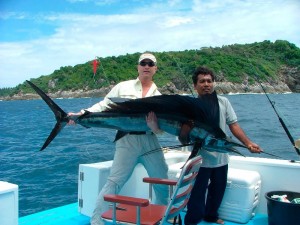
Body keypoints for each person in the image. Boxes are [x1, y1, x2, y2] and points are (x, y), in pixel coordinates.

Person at [68, 53, 169, 225]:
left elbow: (164, 128)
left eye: (150, 64)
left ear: (155, 69)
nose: (146, 66)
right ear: (137, 67)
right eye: (143, 63)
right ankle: (96, 220)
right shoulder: (123, 86)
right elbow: (103, 105)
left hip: (150, 141)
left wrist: (155, 129)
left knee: (161, 178)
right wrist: (81, 114)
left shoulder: (159, 96)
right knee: (114, 181)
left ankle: (162, 215)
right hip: (126, 141)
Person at [183, 66, 263, 225]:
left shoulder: (223, 102)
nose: (206, 84)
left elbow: (234, 125)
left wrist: (248, 143)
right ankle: (191, 221)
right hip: (201, 159)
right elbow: (184, 133)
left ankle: (211, 216)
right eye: (202, 81)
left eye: (209, 81)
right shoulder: (191, 105)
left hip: (221, 156)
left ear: (213, 83)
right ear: (195, 86)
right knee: (197, 194)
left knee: (218, 190)